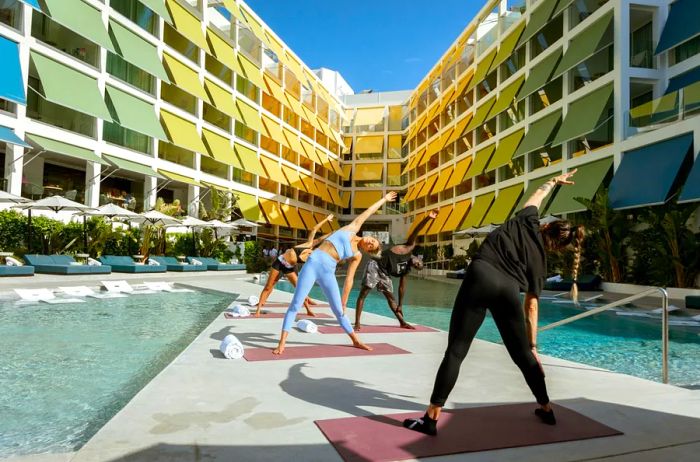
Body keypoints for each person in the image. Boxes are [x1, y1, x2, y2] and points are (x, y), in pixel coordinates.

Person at [403, 170, 584, 436]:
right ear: (556, 246)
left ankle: (431, 418)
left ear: (547, 225)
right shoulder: (540, 264)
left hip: (480, 277)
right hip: (508, 291)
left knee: (456, 351)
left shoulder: (527, 220)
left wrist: (554, 181)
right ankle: (546, 408)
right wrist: (532, 346)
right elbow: (531, 306)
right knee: (522, 356)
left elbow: (537, 195)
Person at [273, 191, 398, 355]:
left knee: (339, 311)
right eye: (372, 240)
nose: (369, 242)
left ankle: (355, 340)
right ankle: (282, 343)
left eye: (371, 246)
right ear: (370, 237)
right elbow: (368, 213)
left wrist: (345, 301)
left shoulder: (357, 255)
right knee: (296, 304)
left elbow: (349, 280)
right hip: (313, 263)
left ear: (368, 251)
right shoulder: (352, 228)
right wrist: (384, 199)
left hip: (328, 273)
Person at [354, 209, 438, 330]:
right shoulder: (408, 247)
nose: (417, 265)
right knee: (364, 293)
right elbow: (416, 231)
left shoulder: (406, 269)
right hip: (375, 265)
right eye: (419, 263)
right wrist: (428, 218)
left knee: (390, 297)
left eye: (417, 267)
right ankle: (357, 323)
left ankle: (402, 322)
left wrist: (401, 305)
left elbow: (402, 287)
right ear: (418, 259)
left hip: (385, 273)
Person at [254, 214, 335, 317]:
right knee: (268, 287)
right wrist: (327, 221)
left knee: (300, 289)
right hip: (279, 262)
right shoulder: (308, 244)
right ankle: (258, 310)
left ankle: (308, 310)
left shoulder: (313, 258)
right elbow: (314, 230)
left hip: (289, 268)